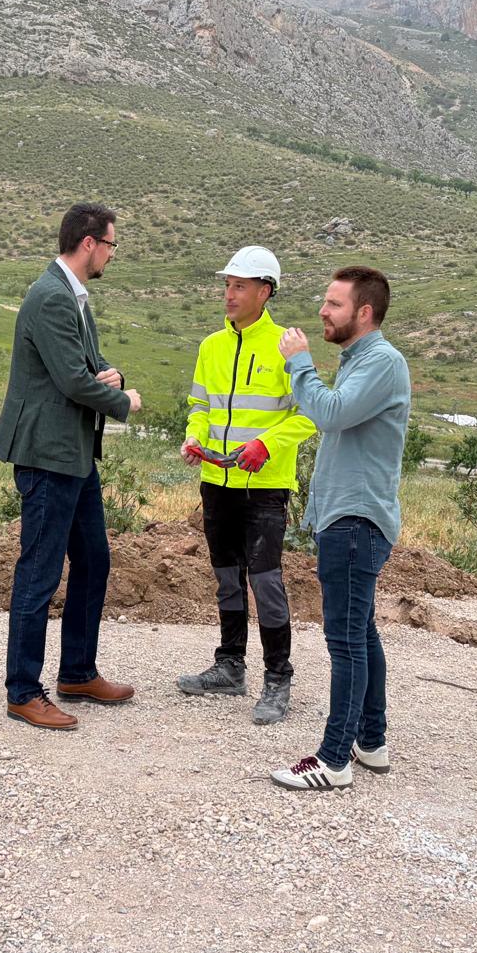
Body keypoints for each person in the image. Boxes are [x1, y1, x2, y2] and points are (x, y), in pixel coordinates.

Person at [0, 203, 143, 731]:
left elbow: (89, 367)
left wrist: (109, 376)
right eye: (110, 245)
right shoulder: (52, 297)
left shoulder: (73, 296)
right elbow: (74, 382)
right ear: (88, 243)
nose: (111, 254)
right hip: (48, 455)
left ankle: (77, 671)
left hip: (73, 454)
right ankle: (22, 690)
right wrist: (124, 402)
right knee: (39, 572)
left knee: (94, 560)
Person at [269, 265, 411, 792]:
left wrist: (299, 364)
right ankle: (370, 743)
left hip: (356, 522)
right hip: (346, 520)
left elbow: (327, 414)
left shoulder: (382, 364)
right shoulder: (361, 361)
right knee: (361, 632)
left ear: (364, 312)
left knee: (346, 640)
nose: (323, 312)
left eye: (333, 304)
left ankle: (333, 761)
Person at [177, 247, 316, 724]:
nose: (229, 294)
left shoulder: (287, 345)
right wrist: (194, 437)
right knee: (226, 576)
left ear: (265, 291)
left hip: (265, 486)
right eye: (227, 285)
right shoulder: (211, 346)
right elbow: (200, 407)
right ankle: (230, 666)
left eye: (239, 286)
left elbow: (310, 416)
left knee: (265, 581)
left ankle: (278, 678)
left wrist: (267, 444)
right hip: (216, 479)